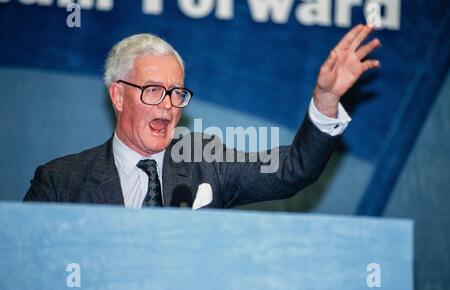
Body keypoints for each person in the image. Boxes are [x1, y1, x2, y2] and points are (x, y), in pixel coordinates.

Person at [24, 24, 381, 209]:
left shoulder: (206, 161)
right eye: (152, 90)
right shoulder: (59, 182)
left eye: (176, 92)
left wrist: (327, 98)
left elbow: (293, 170)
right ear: (118, 95)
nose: (168, 104)